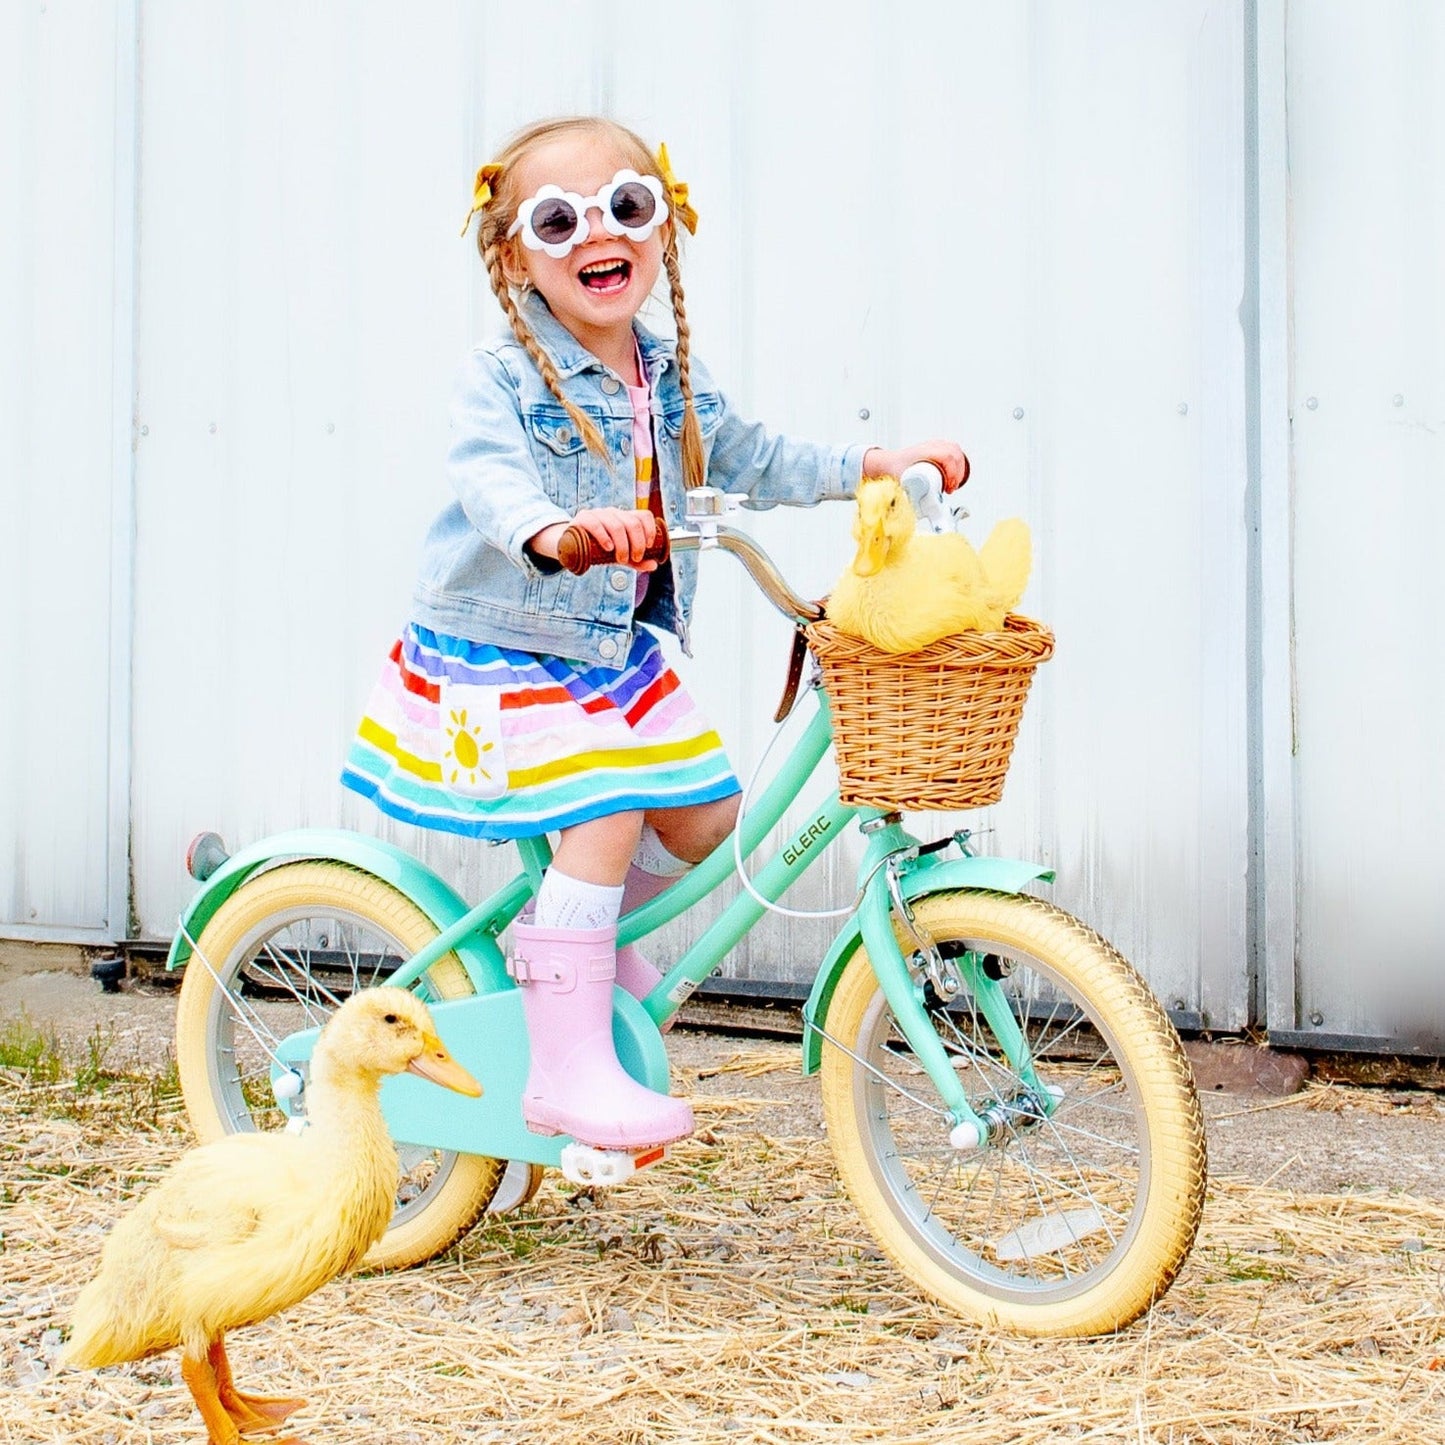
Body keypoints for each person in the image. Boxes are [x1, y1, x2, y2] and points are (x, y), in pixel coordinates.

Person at [342, 116, 968, 1152]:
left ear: (661, 226)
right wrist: (556, 530)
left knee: (705, 819)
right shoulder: (499, 380)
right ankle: (564, 1060)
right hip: (506, 653)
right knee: (603, 811)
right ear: (515, 258)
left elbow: (747, 453)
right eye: (561, 220)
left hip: (606, 654)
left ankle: (581, 963)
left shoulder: (664, 368)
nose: (603, 234)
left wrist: (870, 463)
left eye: (626, 207)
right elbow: (490, 480)